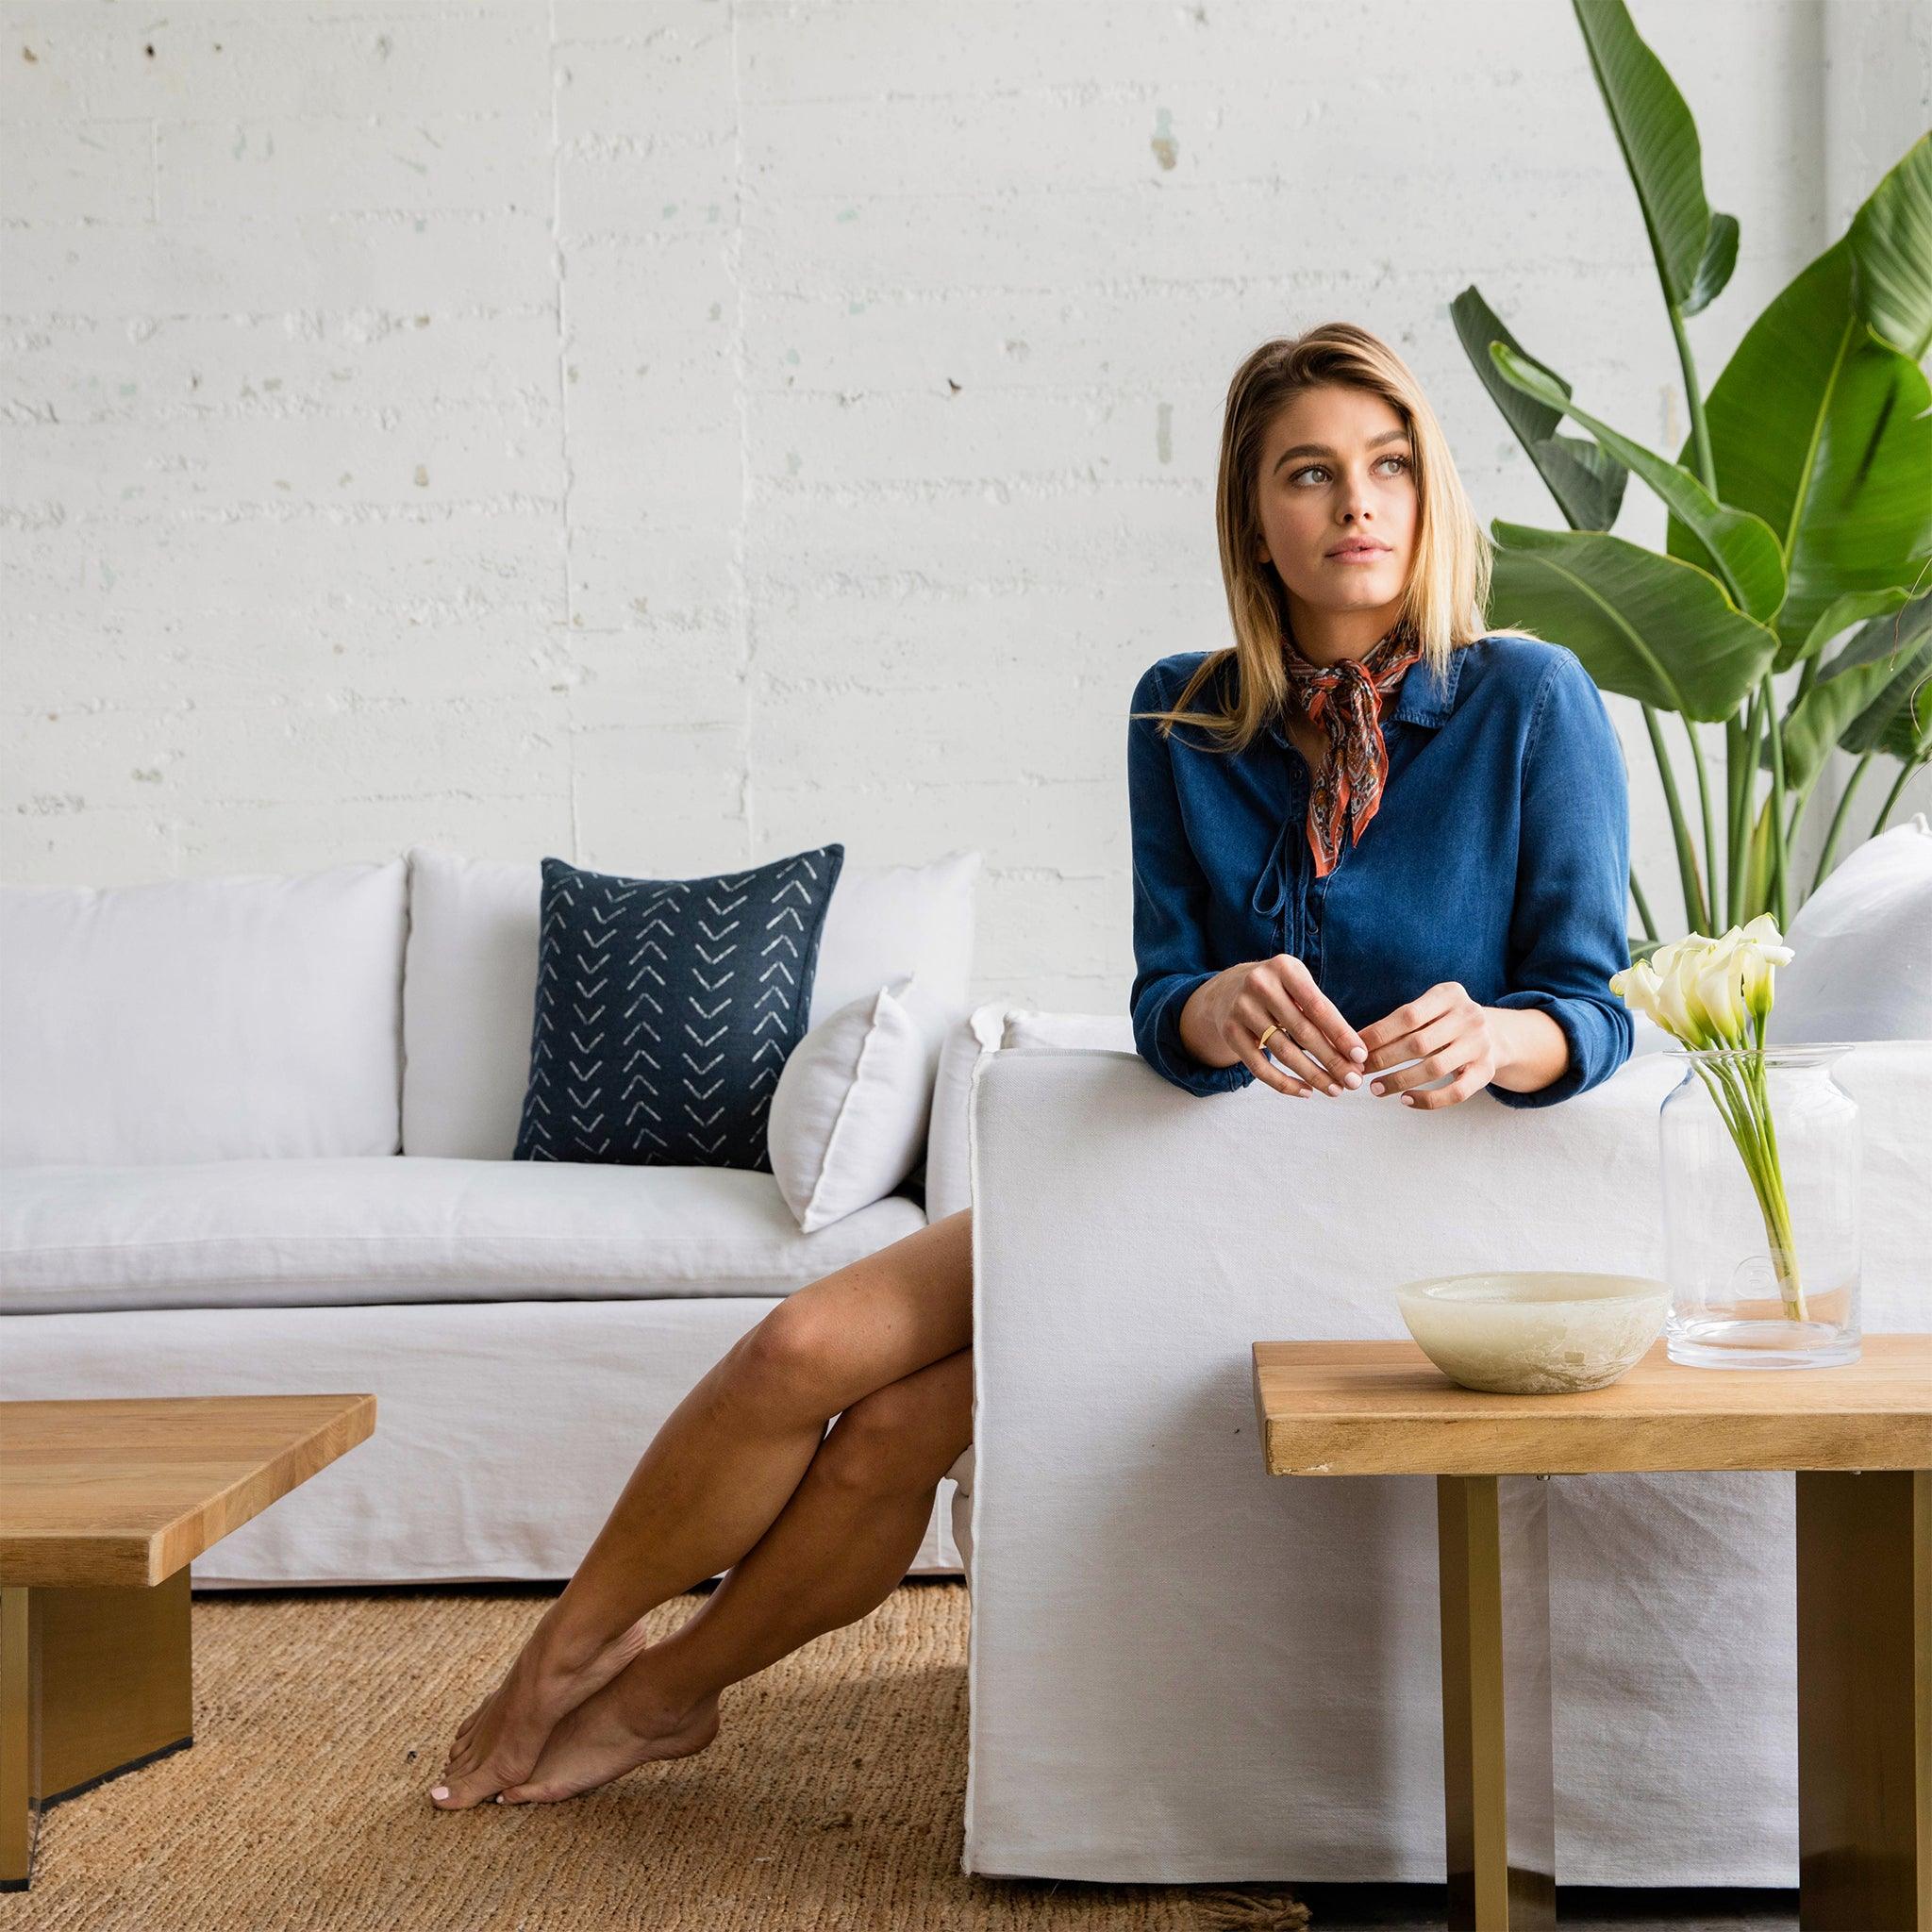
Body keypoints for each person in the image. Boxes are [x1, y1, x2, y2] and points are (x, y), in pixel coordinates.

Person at [429, 321, 1634, 1811]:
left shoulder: (1531, 702)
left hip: (1381, 1222)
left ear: (1430, 492)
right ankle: (572, 1665)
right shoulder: (1182, 712)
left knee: (886, 1424)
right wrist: (1217, 1014)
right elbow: (1162, 992)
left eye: (1387, 468)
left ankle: (663, 1693)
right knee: (813, 1366)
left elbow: (1593, 1006)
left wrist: (1492, 1030)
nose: (1356, 505)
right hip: (1188, 1177)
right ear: (1255, 522)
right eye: (1310, 475)